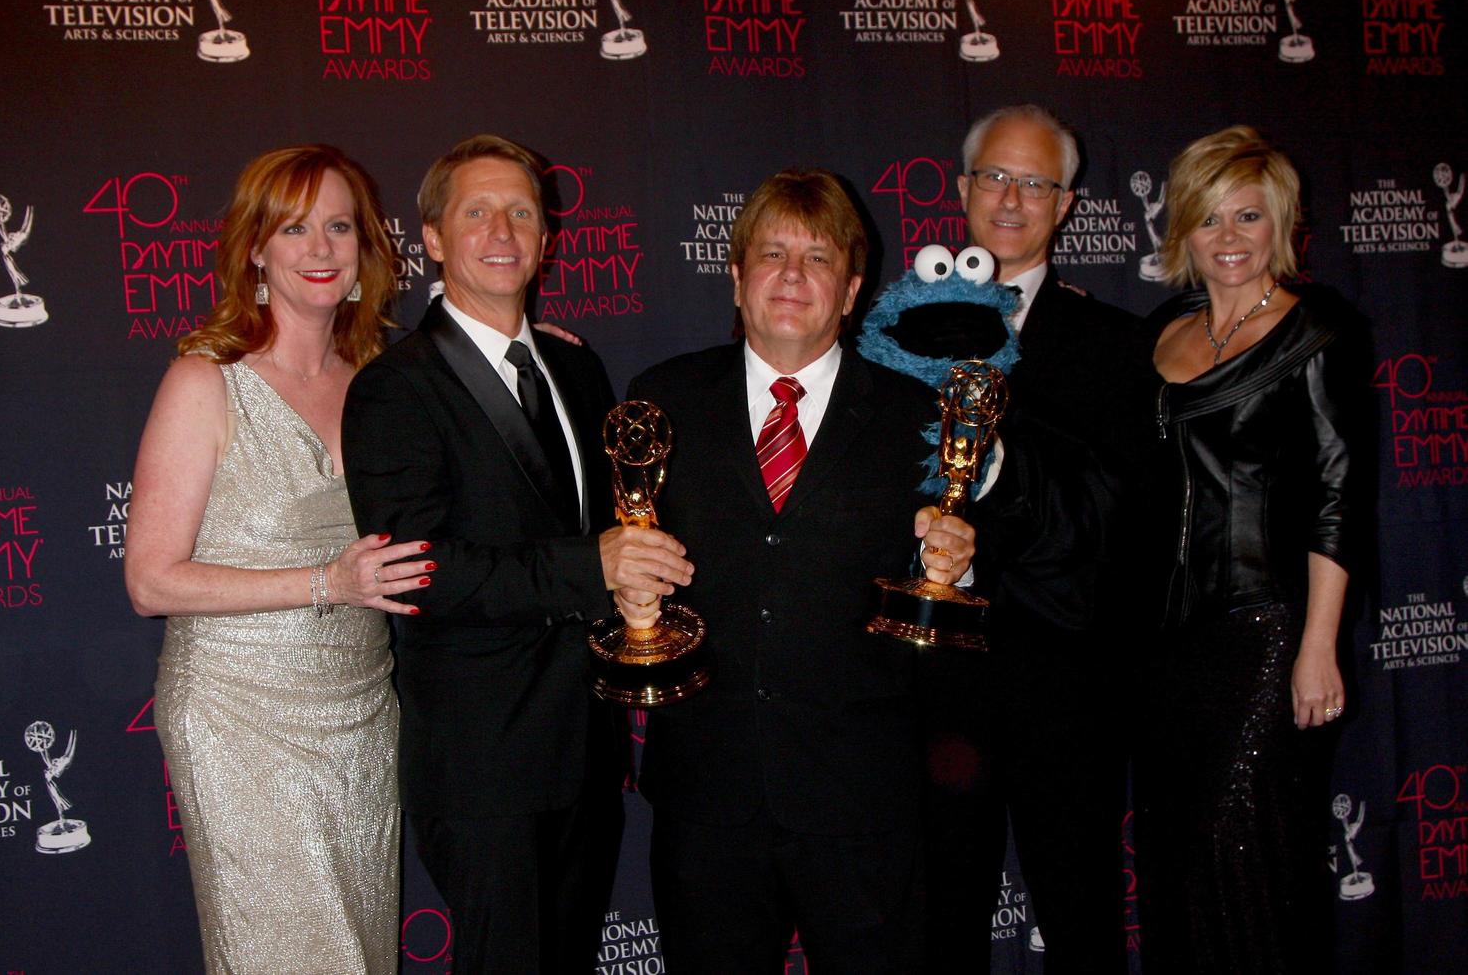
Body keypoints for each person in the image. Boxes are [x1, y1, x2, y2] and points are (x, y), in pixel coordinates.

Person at [340, 134, 692, 974]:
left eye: (522, 212)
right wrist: (592, 568)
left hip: (589, 745)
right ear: (431, 237)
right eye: (476, 211)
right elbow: (422, 571)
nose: (502, 229)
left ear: (545, 237)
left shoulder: (576, 368)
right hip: (484, 764)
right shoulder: (395, 388)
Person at [614, 168, 977, 972]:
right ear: (737, 277)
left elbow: (948, 599)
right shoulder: (659, 402)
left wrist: (955, 563)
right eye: (772, 253)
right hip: (708, 795)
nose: (790, 275)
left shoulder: (919, 418)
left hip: (864, 798)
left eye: (816, 259)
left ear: (850, 291)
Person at [124, 144, 433, 973]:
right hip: (240, 716)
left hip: (364, 714)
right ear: (256, 248)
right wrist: (328, 582)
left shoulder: (381, 381)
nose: (322, 248)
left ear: (367, 248)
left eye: (339, 226)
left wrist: (524, 347)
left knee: (363, 955)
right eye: (295, 227)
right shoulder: (206, 381)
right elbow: (151, 581)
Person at [921, 104, 1157, 973]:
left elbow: (1114, 523)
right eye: (995, 177)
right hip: (932, 688)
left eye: (1035, 182)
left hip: (1066, 687)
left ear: (1065, 206)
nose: (1011, 199)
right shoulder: (891, 328)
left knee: (1081, 912)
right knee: (940, 919)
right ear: (962, 189)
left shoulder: (1120, 346)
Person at [1135, 125, 1362, 973]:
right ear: (1182, 230)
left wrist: (1316, 646)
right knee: (1175, 858)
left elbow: (1341, 496)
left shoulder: (1319, 332)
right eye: (1208, 220)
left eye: (1248, 218)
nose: (1228, 240)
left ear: (1281, 225)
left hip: (1267, 632)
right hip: (1163, 650)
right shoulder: (1160, 332)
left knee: (1244, 855)